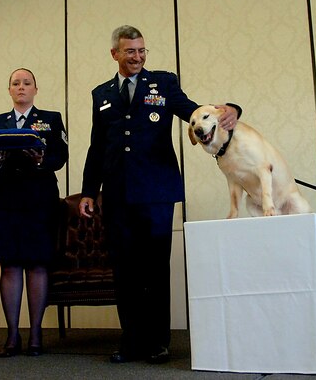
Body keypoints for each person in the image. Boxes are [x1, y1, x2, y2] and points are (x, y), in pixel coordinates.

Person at [78, 25, 240, 364]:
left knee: (154, 268)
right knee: (124, 269)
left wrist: (230, 110)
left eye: (141, 51)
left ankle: (157, 341)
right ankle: (131, 340)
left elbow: (193, 112)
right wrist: (89, 191)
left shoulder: (163, 83)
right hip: (118, 192)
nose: (137, 57)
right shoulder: (101, 93)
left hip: (155, 192)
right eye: (130, 51)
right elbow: (97, 146)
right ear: (115, 54)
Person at [0, 68, 68, 357]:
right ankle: (12, 335)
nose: (21, 87)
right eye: (15, 83)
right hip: (6, 198)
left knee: (38, 264)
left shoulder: (51, 119)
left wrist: (42, 159)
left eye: (26, 83)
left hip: (39, 198)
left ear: (35, 89)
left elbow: (61, 156)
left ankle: (36, 334)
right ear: (9, 90)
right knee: (11, 265)